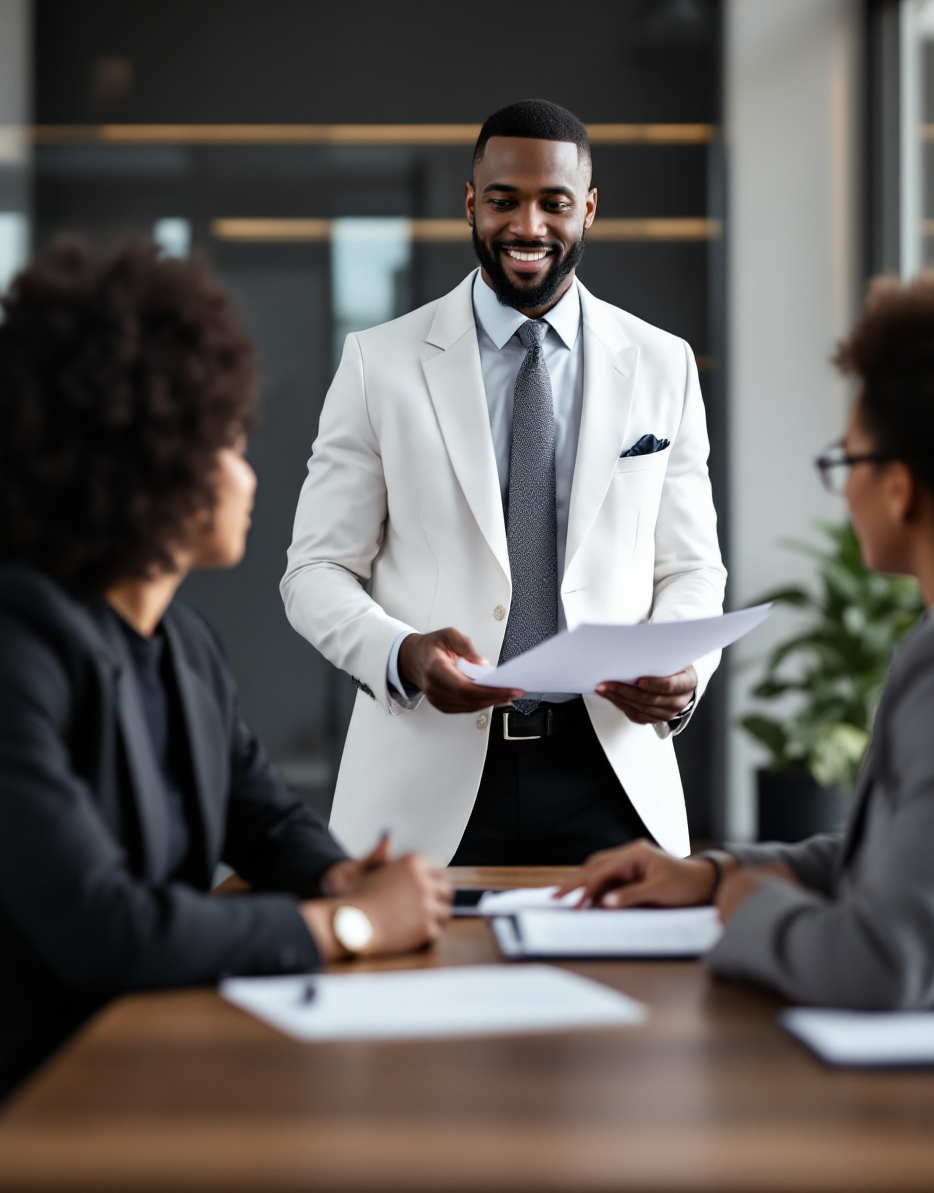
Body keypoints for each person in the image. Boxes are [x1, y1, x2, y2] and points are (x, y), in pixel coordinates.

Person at [0, 238, 451, 1110]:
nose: (248, 480)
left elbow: (264, 817)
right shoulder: (13, 656)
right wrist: (347, 926)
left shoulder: (182, 643)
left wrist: (333, 876)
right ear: (155, 459)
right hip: (37, 1103)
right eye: (231, 446)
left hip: (141, 1067)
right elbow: (103, 931)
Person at [282, 99, 726, 866]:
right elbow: (315, 571)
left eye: (554, 202)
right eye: (503, 201)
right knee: (414, 986)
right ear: (470, 204)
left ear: (587, 209)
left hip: (610, 773)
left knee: (636, 986)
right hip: (427, 780)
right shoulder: (377, 364)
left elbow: (690, 567)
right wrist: (403, 655)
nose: (528, 226)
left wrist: (683, 671)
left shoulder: (663, 364)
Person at [558, 265, 934, 1010]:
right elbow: (906, 862)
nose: (843, 492)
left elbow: (887, 961)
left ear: (898, 489)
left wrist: (750, 906)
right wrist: (712, 875)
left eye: (846, 462)